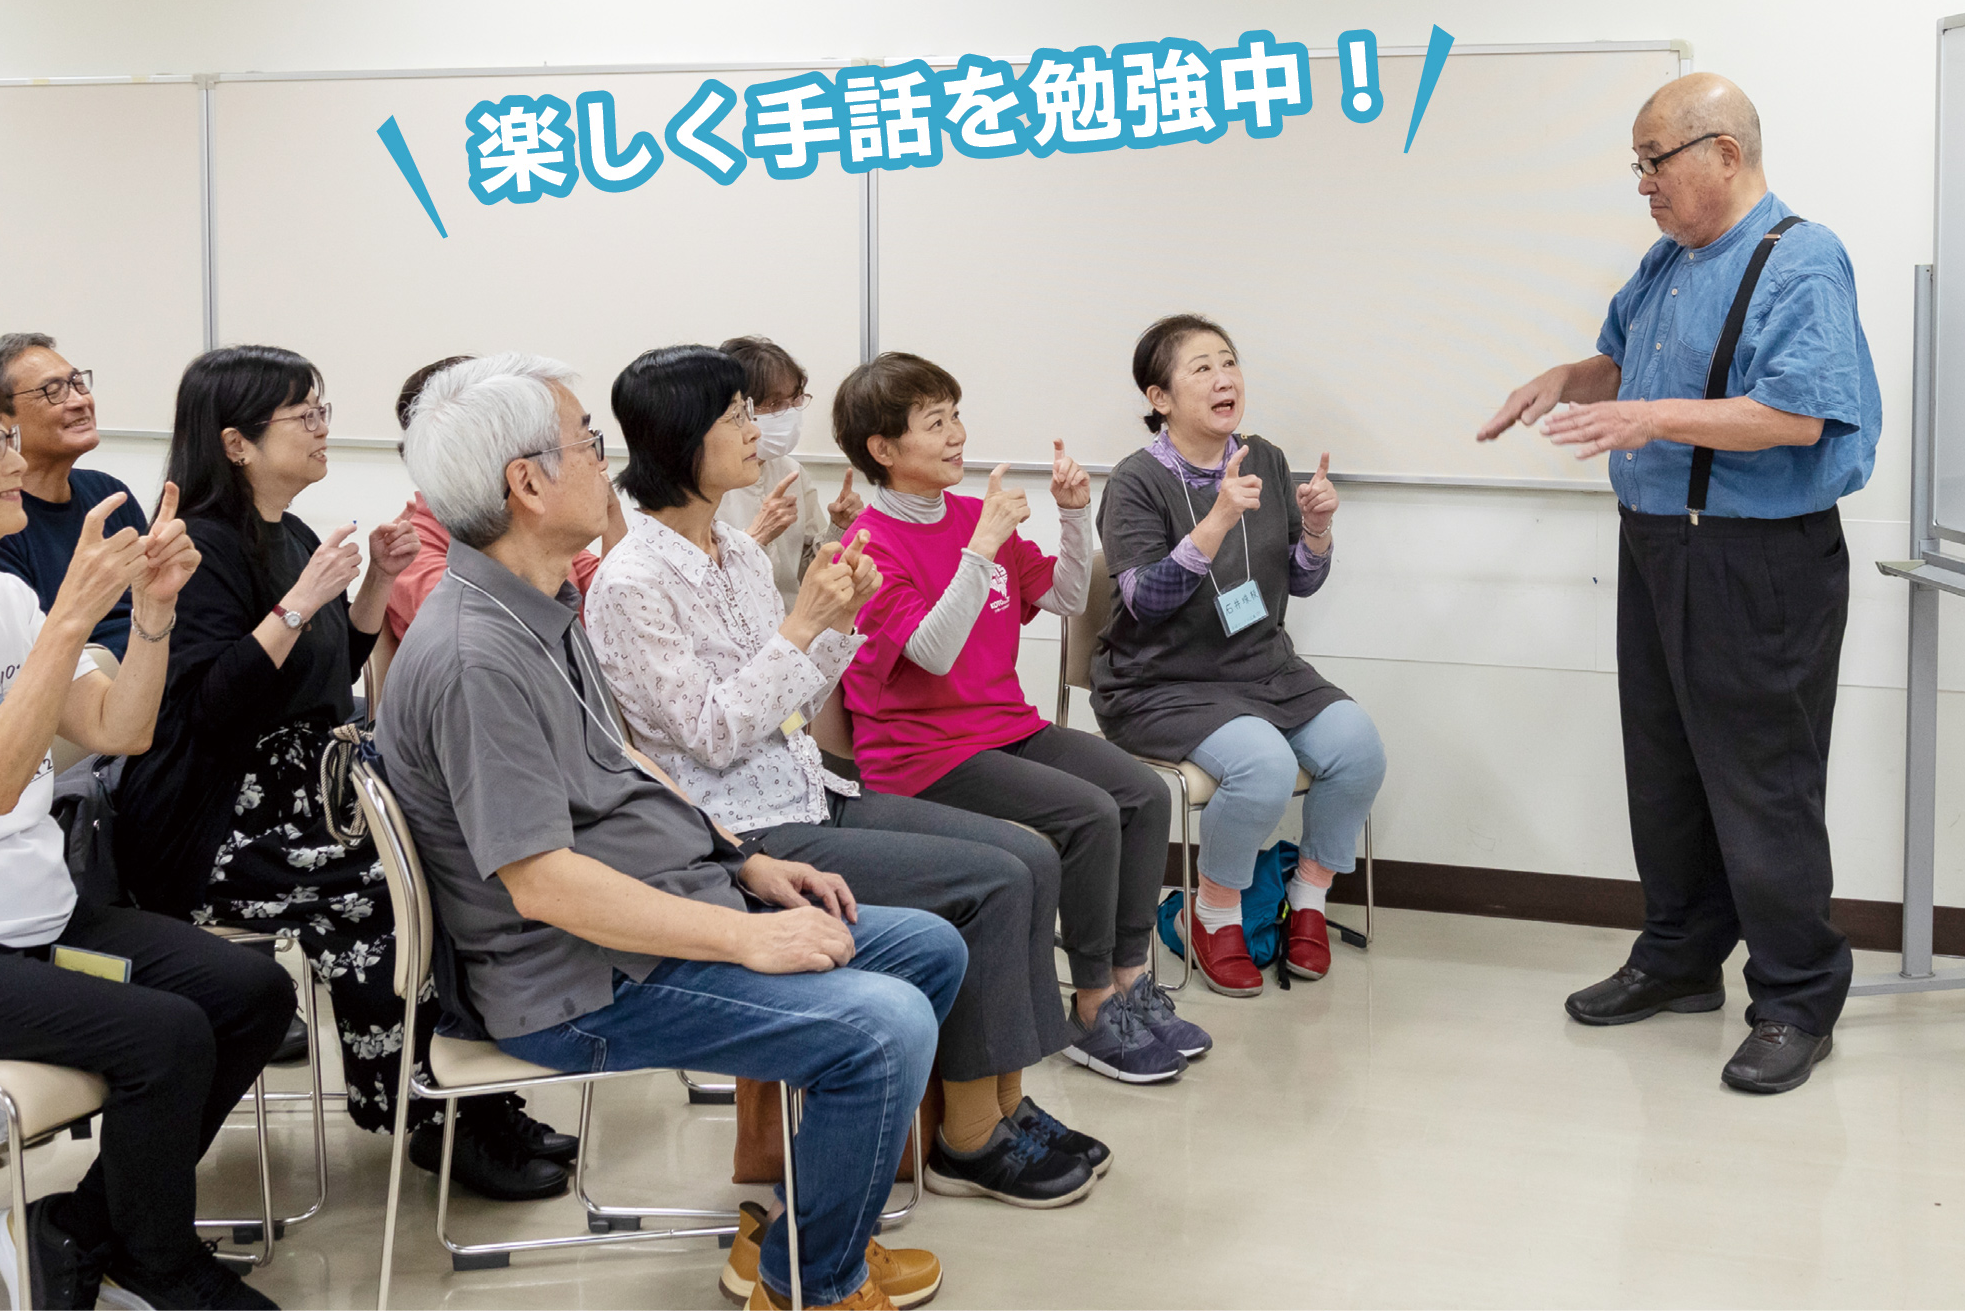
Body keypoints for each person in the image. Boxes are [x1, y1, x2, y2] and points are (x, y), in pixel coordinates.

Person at [380, 351, 967, 1311]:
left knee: (929, 949)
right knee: (886, 1026)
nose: (604, 460)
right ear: (527, 484)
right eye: (585, 442)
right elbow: (543, 883)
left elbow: (625, 761)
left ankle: (804, 1238)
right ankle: (812, 1285)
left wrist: (743, 862)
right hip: (579, 977)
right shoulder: (476, 655)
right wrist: (744, 935)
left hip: (656, 908)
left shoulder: (541, 606)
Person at [0, 358, 293, 1310]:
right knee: (164, 1034)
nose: (11, 456)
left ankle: (82, 1229)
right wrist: (72, 615)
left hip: (26, 923)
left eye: (5, 434)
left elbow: (119, 727)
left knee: (250, 990)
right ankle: (159, 1263)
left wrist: (150, 616)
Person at [585, 344, 1104, 1208]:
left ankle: (1006, 1105)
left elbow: (796, 698)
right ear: (681, 439)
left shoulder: (737, 550)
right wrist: (804, 629)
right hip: (741, 836)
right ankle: (969, 1137)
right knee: (991, 880)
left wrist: (839, 623)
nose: (757, 433)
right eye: (737, 418)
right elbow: (711, 735)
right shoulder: (630, 580)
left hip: (811, 795)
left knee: (1032, 855)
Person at [1479, 73, 1880, 1094]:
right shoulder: (1666, 257)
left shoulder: (1801, 259)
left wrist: (1650, 418)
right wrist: (1566, 379)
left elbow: (1796, 415)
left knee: (1761, 781)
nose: (1643, 184)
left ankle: (1796, 997)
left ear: (1724, 154)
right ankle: (1678, 956)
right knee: (1663, 767)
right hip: (1659, 543)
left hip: (1757, 560)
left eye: (1654, 161)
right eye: (1638, 164)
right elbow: (1623, 363)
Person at [114, 345, 573, 1199]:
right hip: (214, 816)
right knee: (381, 888)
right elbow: (213, 708)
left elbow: (323, 678)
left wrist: (372, 589)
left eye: (322, 410)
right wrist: (300, 602)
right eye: (306, 415)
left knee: (445, 858)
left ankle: (474, 1093)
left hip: (303, 795)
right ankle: (424, 1115)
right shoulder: (194, 547)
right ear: (237, 442)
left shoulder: (288, 533)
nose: (324, 428)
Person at [830, 352, 1207, 1086]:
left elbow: (1065, 596)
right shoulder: (866, 548)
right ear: (883, 449)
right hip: (922, 755)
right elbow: (933, 652)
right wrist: (979, 549)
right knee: (1089, 814)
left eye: (956, 416)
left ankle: (1129, 979)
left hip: (1003, 725)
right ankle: (1091, 1006)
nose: (956, 435)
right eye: (934, 423)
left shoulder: (977, 516)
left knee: (1143, 793)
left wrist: (1073, 515)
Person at [1091, 315, 1387, 996]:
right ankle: (1214, 912)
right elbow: (1144, 602)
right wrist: (1218, 516)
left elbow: (1300, 581)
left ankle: (1306, 899)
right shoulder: (1137, 481)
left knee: (1358, 747)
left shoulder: (1267, 459)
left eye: (1229, 362)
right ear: (1160, 397)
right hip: (1159, 682)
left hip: (1262, 668)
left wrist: (1318, 531)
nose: (1224, 378)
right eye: (1201, 368)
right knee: (1264, 765)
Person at [382, 355, 625, 648]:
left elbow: (618, 608)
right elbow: (486, 632)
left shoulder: (540, 532)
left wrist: (608, 510)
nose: (600, 461)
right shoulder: (410, 548)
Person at [0, 333, 148, 659]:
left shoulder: (108, 493)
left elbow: (154, 606)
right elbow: (24, 653)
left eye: (78, 383)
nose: (79, 401)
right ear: (0, 418)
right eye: (53, 391)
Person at [714, 335, 863, 599]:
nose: (790, 413)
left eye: (795, 400)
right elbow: (701, 587)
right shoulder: (708, 480)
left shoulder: (791, 471)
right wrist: (757, 536)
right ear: (739, 408)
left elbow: (808, 574)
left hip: (791, 618)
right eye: (775, 404)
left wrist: (838, 528)